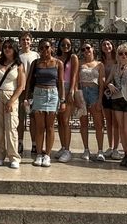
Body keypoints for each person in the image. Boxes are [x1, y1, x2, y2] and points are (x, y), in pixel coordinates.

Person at [27, 39, 64, 168]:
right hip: (38, 93)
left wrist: (62, 100)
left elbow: (60, 82)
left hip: (52, 94)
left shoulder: (58, 63)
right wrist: (27, 98)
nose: (44, 50)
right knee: (39, 126)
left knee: (50, 126)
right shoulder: (35, 63)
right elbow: (29, 80)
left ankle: (47, 155)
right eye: (41, 48)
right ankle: (38, 154)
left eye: (46, 47)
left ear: (52, 48)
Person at [0, 38, 26, 168]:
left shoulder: (19, 65)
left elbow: (21, 85)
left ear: (14, 49)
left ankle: (14, 157)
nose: (7, 49)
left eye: (10, 47)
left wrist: (12, 100)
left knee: (11, 127)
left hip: (12, 95)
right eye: (5, 47)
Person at [78, 43, 105, 161]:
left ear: (93, 49)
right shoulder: (80, 63)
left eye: (88, 48)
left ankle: (100, 150)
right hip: (83, 92)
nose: (86, 50)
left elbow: (102, 82)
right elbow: (76, 80)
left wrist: (100, 99)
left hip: (94, 92)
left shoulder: (99, 64)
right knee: (83, 123)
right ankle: (86, 149)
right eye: (83, 49)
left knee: (98, 124)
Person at [54, 38, 80, 162]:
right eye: (63, 44)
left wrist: (71, 91)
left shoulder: (73, 58)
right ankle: (63, 146)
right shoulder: (57, 58)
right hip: (57, 88)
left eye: (68, 44)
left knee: (65, 120)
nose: (65, 46)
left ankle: (68, 150)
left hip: (68, 87)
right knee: (59, 120)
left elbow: (74, 75)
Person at [18, 32, 39, 158]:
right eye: (23, 39)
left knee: (33, 119)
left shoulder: (35, 55)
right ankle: (20, 142)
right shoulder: (18, 55)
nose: (25, 42)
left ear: (31, 42)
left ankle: (34, 143)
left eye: (27, 39)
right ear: (20, 41)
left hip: (32, 90)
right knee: (20, 119)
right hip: (20, 90)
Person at [99, 39, 121, 159]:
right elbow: (101, 77)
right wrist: (108, 85)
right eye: (104, 44)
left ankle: (116, 148)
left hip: (117, 93)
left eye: (108, 44)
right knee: (108, 121)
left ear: (112, 46)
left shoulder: (118, 60)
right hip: (105, 93)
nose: (106, 46)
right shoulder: (101, 62)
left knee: (116, 121)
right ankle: (111, 146)